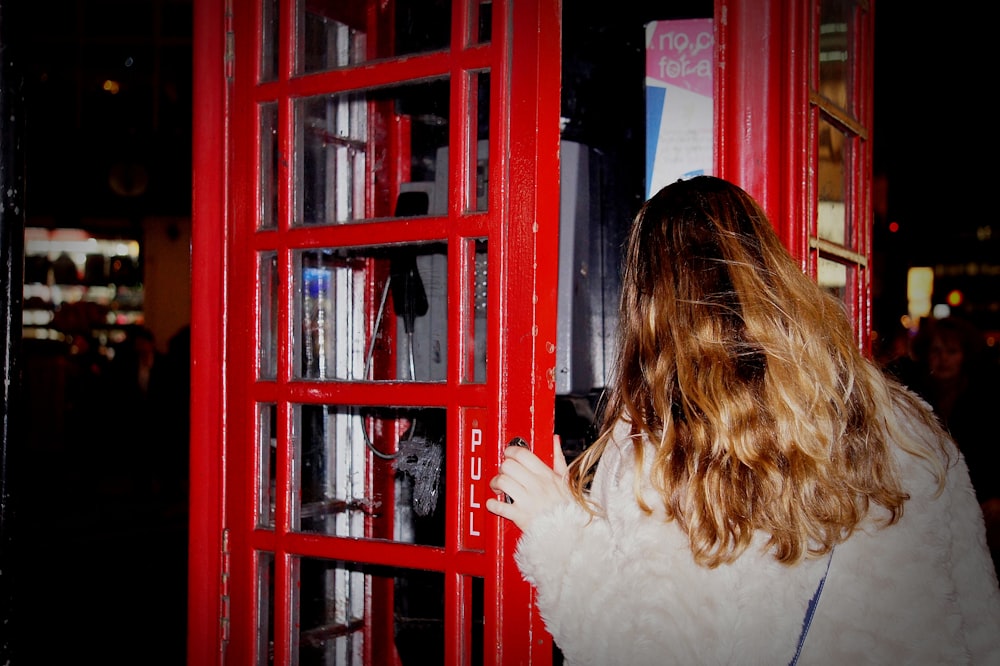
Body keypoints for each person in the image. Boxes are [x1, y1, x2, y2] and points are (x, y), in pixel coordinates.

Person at [486, 176, 1000, 665]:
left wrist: (556, 532)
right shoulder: (906, 426)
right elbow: (980, 621)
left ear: (646, 301)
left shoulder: (664, 448)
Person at [910, 316, 1000, 574]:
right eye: (936, 351)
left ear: (965, 356)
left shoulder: (987, 396)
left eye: (952, 351)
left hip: (981, 505)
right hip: (933, 505)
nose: (943, 359)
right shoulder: (915, 396)